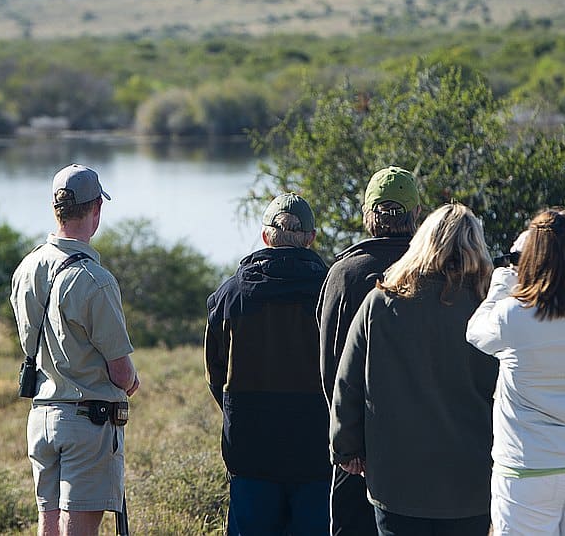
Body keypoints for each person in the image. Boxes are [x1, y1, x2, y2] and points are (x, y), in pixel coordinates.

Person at [330, 203, 498, 536]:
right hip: (472, 482)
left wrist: (346, 448)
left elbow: (347, 383)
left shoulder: (381, 302)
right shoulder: (491, 309)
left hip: (397, 483)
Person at [466, 209, 565, 535]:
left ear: (532, 259)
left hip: (528, 470)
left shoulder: (514, 315)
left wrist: (505, 279)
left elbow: (475, 332)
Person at [11, 163, 139, 536]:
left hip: (41, 417)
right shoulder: (95, 280)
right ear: (96, 208)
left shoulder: (26, 268)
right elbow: (121, 373)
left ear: (56, 209)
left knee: (48, 527)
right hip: (88, 423)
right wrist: (131, 379)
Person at [204, 192, 331, 536]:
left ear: (265, 236)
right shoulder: (331, 294)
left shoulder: (229, 295)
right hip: (316, 452)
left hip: (250, 450)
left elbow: (216, 376)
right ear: (310, 238)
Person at [316, 165, 421, 535]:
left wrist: (348, 444)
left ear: (367, 217)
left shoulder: (345, 274)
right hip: (427, 445)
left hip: (360, 452)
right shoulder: (436, 269)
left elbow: (331, 370)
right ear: (416, 216)